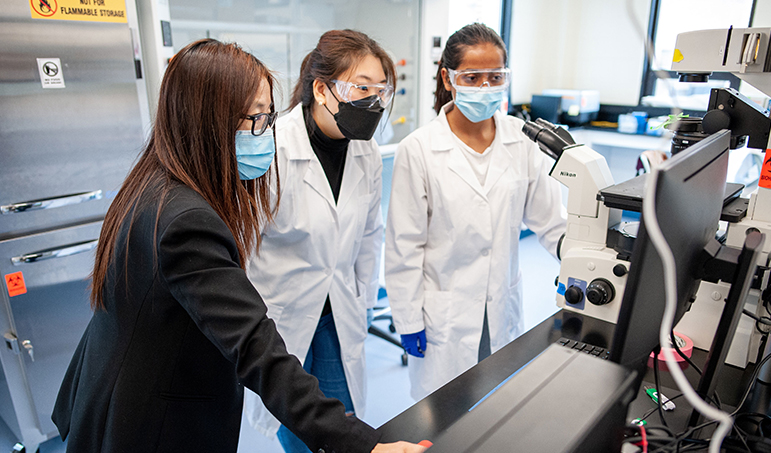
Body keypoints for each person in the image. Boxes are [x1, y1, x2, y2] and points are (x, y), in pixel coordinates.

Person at [51, 39, 424, 453]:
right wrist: (365, 446)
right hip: (149, 419)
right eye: (259, 119)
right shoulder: (187, 220)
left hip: (119, 390)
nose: (268, 131)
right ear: (210, 121)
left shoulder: (155, 180)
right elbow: (255, 347)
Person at [384, 23, 567, 401]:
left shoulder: (521, 139)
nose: (485, 87)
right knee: (442, 418)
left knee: (497, 407)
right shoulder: (418, 149)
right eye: (472, 77)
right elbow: (404, 246)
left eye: (495, 76)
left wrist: (582, 261)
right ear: (448, 79)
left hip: (501, 304)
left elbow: (551, 221)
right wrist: (407, 318)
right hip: (442, 316)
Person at [243, 29, 393, 453]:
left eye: (379, 91)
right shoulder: (270, 147)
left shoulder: (367, 151)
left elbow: (369, 234)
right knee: (296, 424)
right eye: (361, 89)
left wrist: (363, 299)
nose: (372, 102)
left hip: (339, 310)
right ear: (322, 89)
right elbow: (245, 242)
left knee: (339, 423)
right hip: (280, 314)